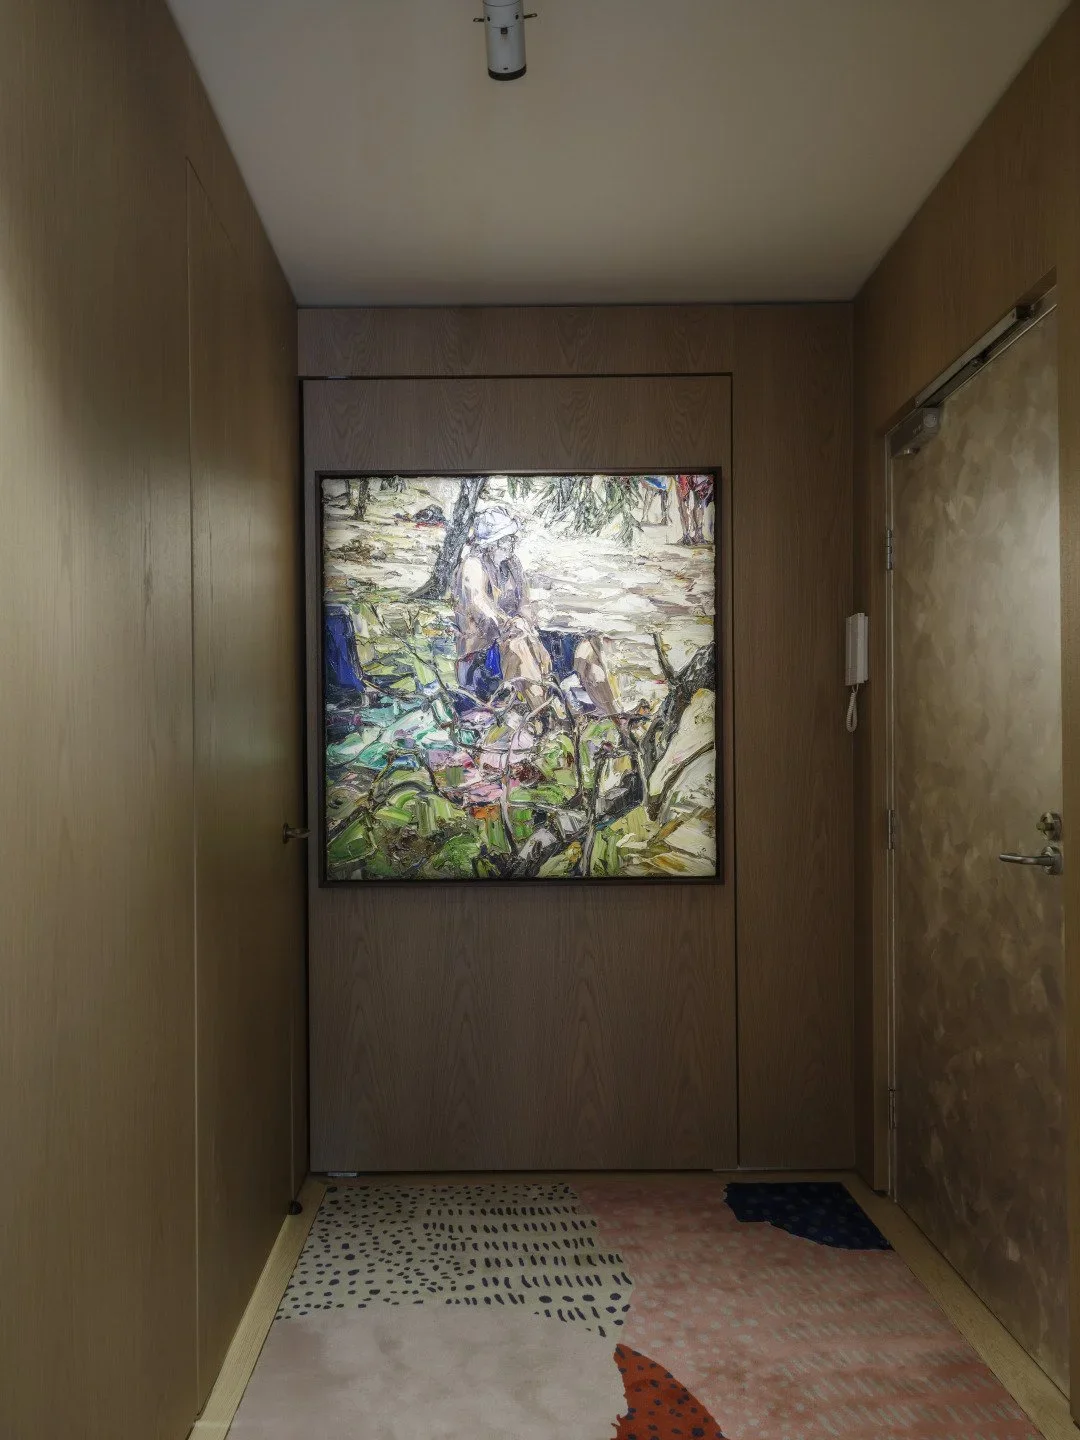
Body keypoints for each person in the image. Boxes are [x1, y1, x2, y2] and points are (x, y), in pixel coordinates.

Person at [451, 506, 622, 720]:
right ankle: (547, 719)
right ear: (492, 544)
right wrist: (512, 624)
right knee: (519, 645)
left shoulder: (512, 563)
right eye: (507, 538)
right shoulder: (473, 566)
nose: (512, 542)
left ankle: (615, 717)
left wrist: (525, 624)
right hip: (481, 659)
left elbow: (526, 607)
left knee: (586, 645)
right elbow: (482, 609)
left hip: (520, 639)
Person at [675, 472, 715, 545]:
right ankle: (698, 535)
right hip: (701, 475)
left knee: (683, 503)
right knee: (699, 503)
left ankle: (686, 536)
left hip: (684, 474)